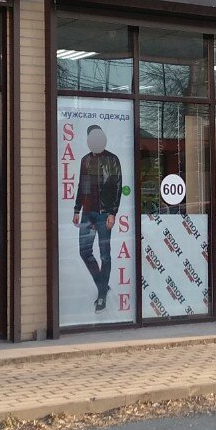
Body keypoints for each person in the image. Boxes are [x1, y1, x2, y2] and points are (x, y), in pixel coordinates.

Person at [72, 124, 122, 313]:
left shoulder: (112, 159)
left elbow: (118, 186)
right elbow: (82, 186)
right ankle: (103, 285)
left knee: (104, 255)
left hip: (103, 214)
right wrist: (77, 209)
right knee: (85, 251)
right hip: (87, 213)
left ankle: (101, 296)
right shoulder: (85, 160)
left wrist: (113, 212)